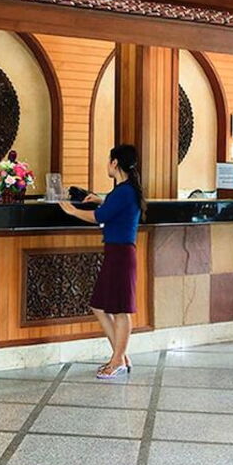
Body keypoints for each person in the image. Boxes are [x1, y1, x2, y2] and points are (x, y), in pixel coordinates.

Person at [58, 144, 147, 379]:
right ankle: (120, 356)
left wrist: (72, 210)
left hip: (121, 254)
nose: (107, 164)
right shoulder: (123, 191)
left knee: (121, 310)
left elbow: (100, 216)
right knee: (99, 305)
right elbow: (112, 211)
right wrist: (101, 200)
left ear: (115, 163)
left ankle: (118, 360)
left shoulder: (124, 191)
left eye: (109, 160)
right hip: (115, 252)